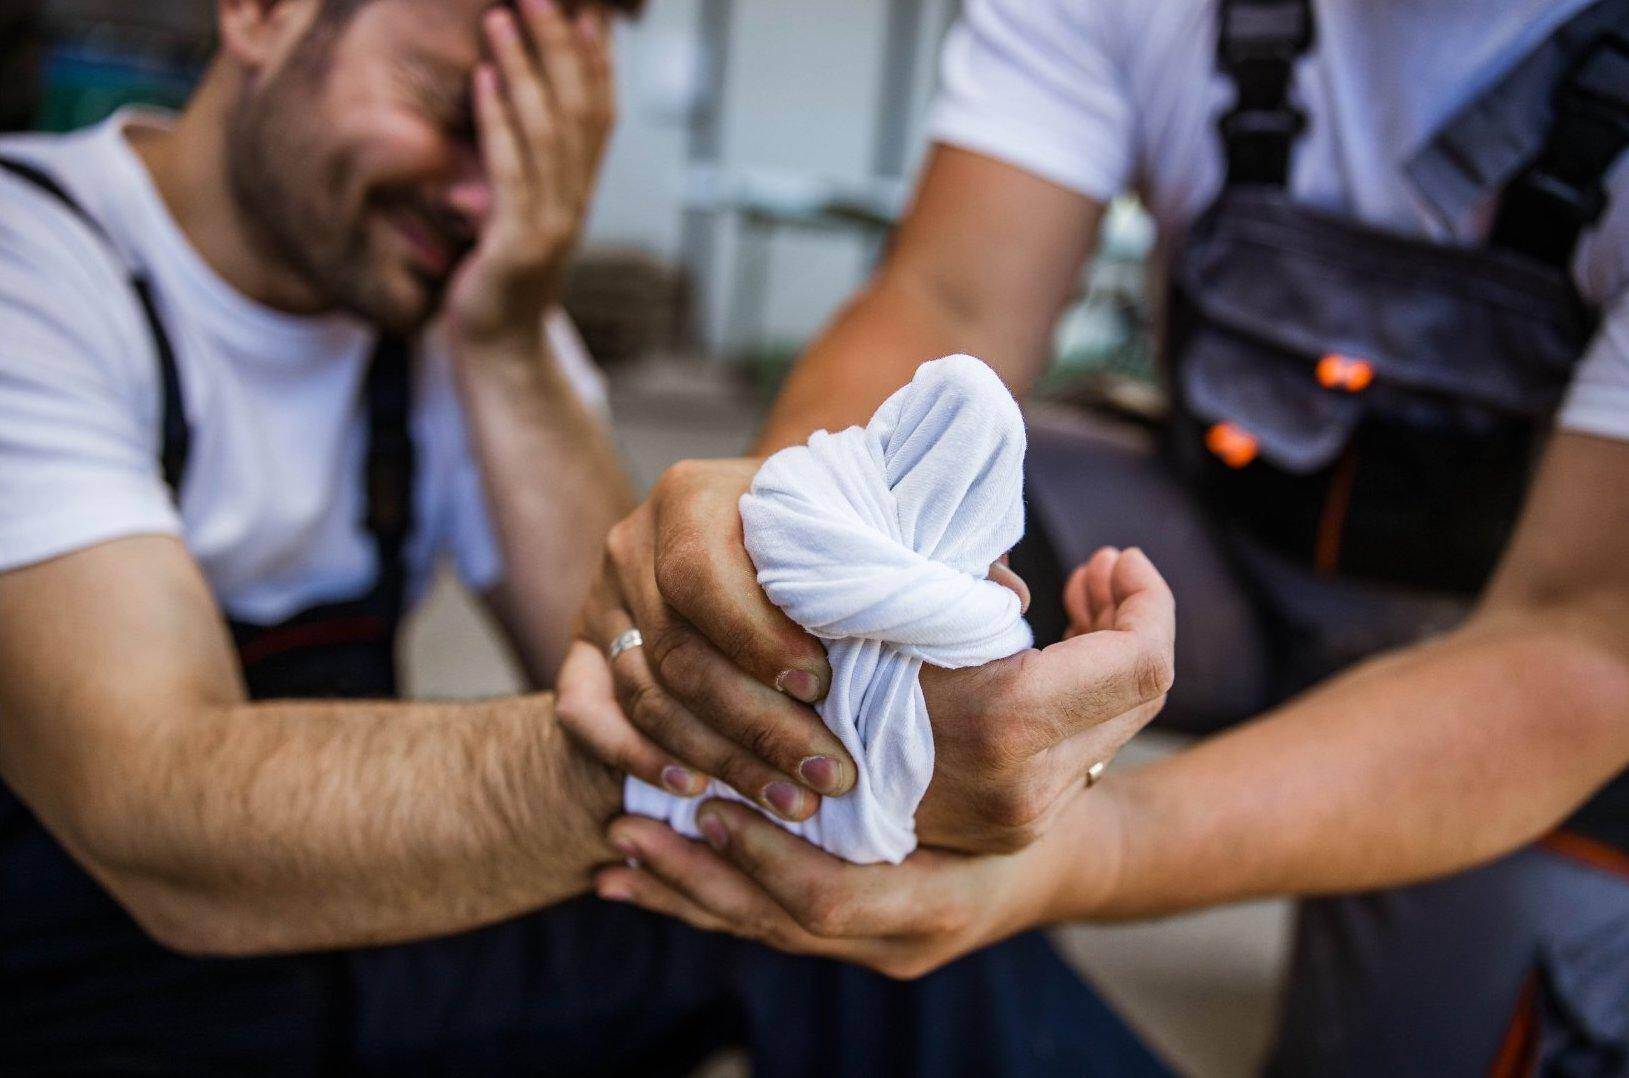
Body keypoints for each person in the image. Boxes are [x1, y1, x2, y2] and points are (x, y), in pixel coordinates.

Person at [0, 0, 1171, 1072]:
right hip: (90, 985)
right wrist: (733, 762)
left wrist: (506, 341)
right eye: (453, 110)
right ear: (260, 13)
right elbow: (153, 814)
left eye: (535, 149)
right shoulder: (34, 269)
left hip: (354, 950)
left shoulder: (459, 292)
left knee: (853, 911)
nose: (481, 198)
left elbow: (633, 644)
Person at [567, 0, 1629, 1072]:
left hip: (1513, 633)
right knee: (847, 740)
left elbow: (1588, 630)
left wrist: (1097, 845)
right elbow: (949, 300)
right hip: (1208, 549)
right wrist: (787, 536)